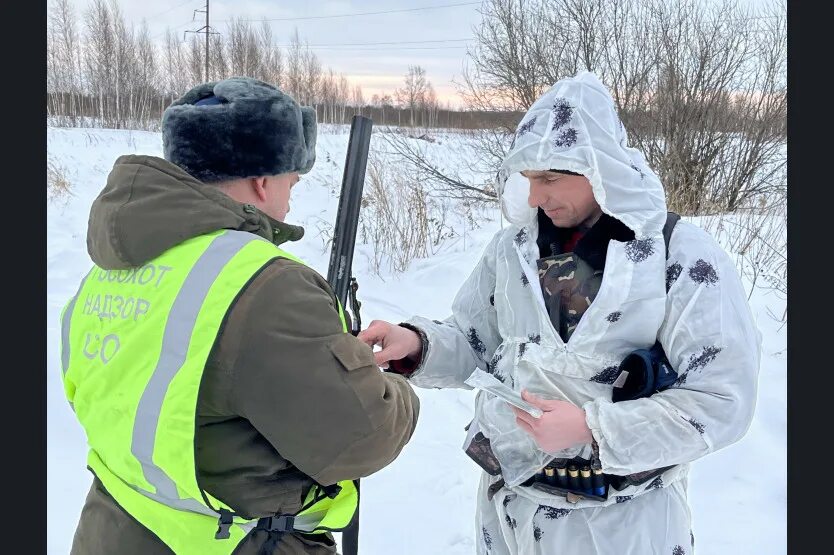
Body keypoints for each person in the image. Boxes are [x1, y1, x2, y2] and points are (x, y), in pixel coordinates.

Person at [359, 71, 761, 554]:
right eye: (528, 178)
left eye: (550, 177)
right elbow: (477, 344)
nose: (535, 197)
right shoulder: (514, 249)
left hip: (622, 524)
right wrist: (418, 345)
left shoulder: (678, 256)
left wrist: (593, 428)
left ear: (601, 168)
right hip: (511, 510)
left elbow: (722, 401)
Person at [60, 77, 420, 555]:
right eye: (292, 179)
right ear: (262, 180)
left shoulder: (111, 269)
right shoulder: (266, 284)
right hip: (236, 541)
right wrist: (388, 384)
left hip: (113, 527)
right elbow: (360, 438)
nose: (291, 196)